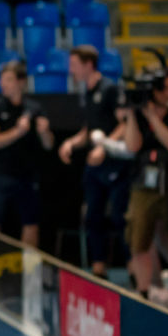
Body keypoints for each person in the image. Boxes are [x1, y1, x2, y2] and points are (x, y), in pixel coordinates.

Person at [123, 66, 168, 316]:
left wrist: (153, 116)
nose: (162, 91)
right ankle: (143, 291)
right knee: (139, 241)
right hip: (143, 185)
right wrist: (135, 114)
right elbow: (132, 146)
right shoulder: (139, 118)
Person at [58, 46, 131, 279]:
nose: (71, 70)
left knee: (121, 217)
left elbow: (125, 123)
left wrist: (104, 146)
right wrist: (72, 143)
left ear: (88, 64)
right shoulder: (86, 93)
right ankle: (98, 267)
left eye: (74, 65)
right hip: (95, 168)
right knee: (92, 215)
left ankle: (133, 267)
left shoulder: (110, 89)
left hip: (117, 164)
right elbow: (89, 129)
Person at [0, 60, 53, 247]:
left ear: (21, 82)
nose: (3, 83)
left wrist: (44, 132)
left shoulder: (34, 108)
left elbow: (48, 145)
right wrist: (18, 132)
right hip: (1, 175)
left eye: (8, 79)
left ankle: (30, 274)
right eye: (2, 79)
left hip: (27, 176)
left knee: (31, 223)